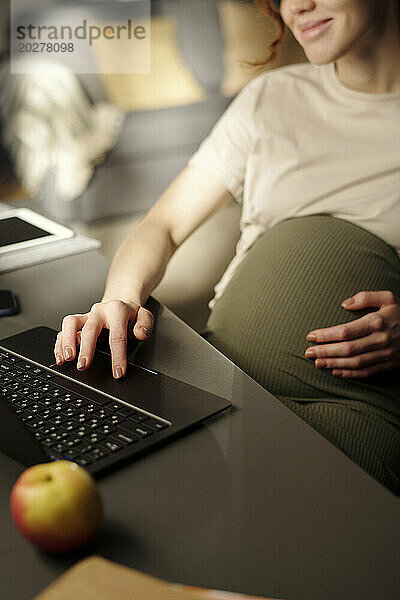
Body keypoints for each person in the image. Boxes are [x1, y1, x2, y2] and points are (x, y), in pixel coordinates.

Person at [55, 1, 400, 492]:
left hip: (356, 410)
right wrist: (121, 299)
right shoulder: (272, 99)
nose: (297, 6)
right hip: (221, 377)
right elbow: (164, 225)